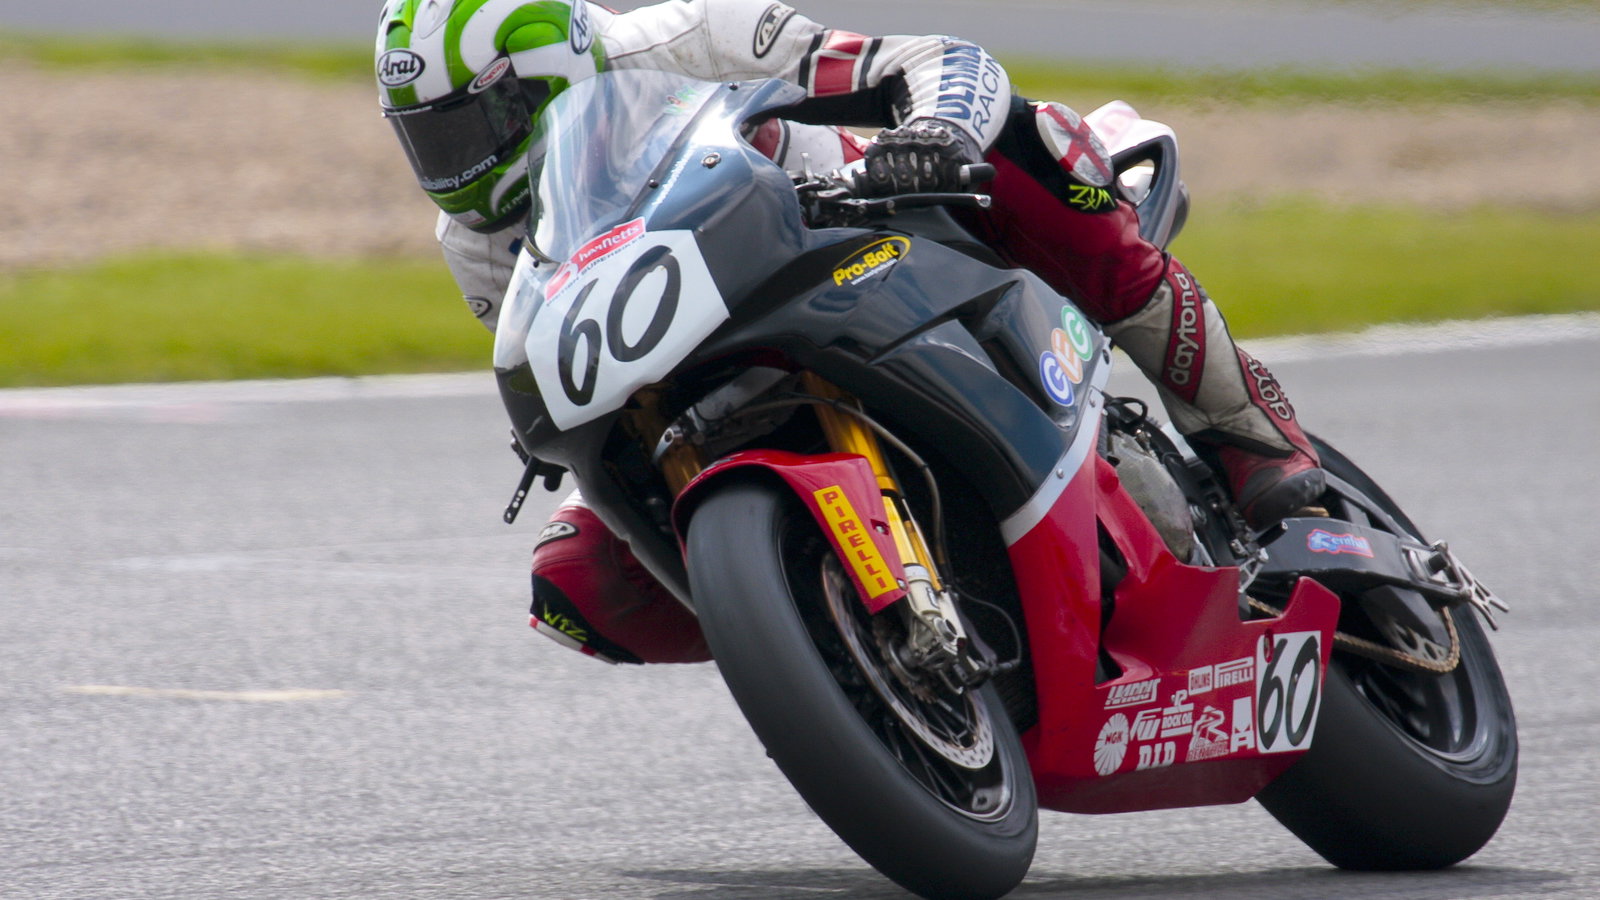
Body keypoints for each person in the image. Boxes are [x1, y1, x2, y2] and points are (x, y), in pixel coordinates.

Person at [376, 0, 1325, 663]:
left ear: (546, 76)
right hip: (711, 350)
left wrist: (941, 135)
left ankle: (1249, 436)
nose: (452, 167)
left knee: (1038, 147)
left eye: (470, 128)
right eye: (425, 139)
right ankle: (831, 640)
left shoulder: (692, 34)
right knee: (574, 580)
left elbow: (933, 60)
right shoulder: (475, 242)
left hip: (883, 228)